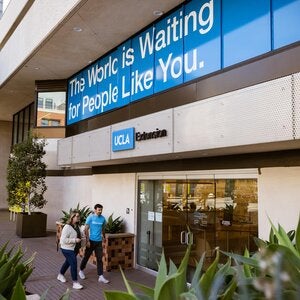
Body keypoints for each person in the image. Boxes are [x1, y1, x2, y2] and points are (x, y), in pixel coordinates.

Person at [79, 203, 109, 283]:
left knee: (99, 259)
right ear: (95, 210)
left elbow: (103, 229)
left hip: (99, 241)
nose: (100, 211)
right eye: (99, 210)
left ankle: (101, 276)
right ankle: (81, 270)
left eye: (101, 210)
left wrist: (104, 236)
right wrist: (87, 240)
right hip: (91, 241)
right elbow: (86, 229)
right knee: (86, 256)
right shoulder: (90, 218)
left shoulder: (102, 219)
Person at [57, 212, 83, 290]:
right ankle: (75, 282)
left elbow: (79, 236)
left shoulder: (77, 226)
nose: (78, 217)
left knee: (68, 262)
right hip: (66, 248)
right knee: (74, 263)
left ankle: (60, 275)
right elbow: (63, 240)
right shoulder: (67, 227)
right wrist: (74, 240)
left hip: (74, 248)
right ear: (72, 217)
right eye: (77, 216)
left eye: (79, 216)